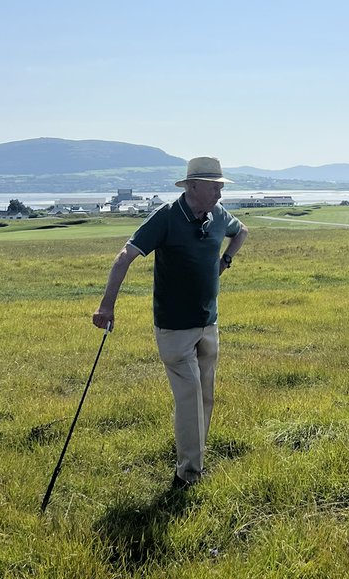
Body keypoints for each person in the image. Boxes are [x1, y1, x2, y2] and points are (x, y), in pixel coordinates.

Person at [93, 156, 248, 488]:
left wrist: (226, 260)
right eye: (214, 187)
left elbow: (241, 231)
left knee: (206, 396)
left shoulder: (218, 215)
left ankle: (194, 457)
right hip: (175, 327)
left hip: (209, 322)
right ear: (192, 186)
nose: (220, 194)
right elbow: (125, 257)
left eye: (221, 187)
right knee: (190, 396)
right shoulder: (165, 217)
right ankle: (188, 474)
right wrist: (107, 307)